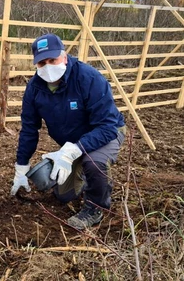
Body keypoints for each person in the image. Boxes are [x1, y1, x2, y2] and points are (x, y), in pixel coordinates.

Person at [10, 33, 126, 230]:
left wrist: (74, 150)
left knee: (94, 162)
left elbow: (107, 126)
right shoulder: (34, 88)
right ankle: (83, 175)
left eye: (52, 60)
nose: (48, 67)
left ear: (64, 56)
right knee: (64, 195)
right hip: (71, 142)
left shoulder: (88, 78)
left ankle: (95, 208)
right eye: (41, 63)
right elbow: (30, 128)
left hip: (105, 132)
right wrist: (21, 166)